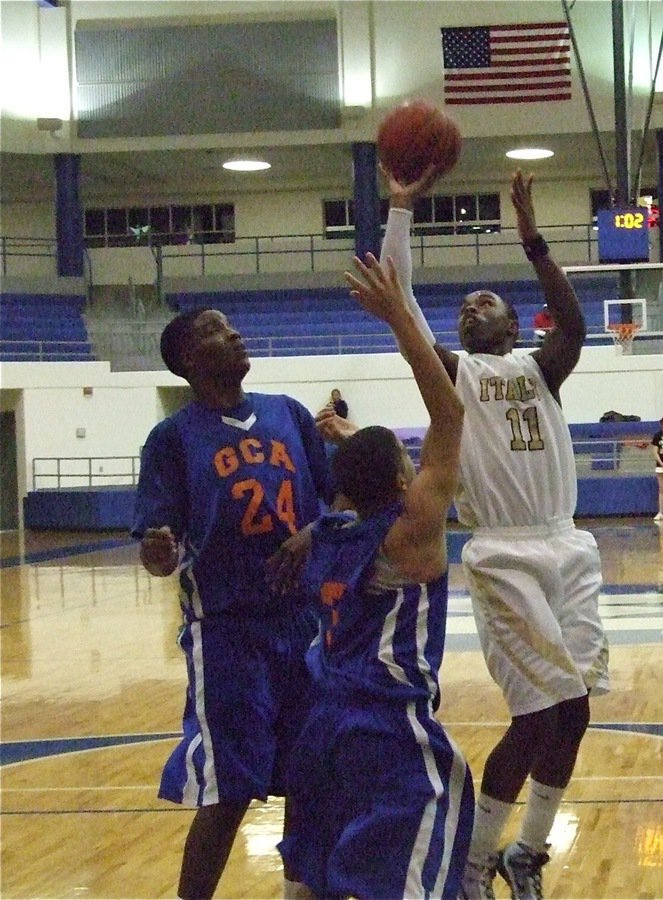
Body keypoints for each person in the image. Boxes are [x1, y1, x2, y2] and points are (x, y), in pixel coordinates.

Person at [324, 167, 609, 898]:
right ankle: (479, 860)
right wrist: (398, 209)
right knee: (544, 711)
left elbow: (573, 322)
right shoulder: (455, 374)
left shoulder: (541, 366)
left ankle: (527, 851)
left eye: (486, 300)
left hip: (568, 545)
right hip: (503, 550)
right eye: (464, 306)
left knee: (574, 715)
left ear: (514, 325)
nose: (470, 306)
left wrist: (533, 240)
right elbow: (407, 307)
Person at [277, 253, 472, 899]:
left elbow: (366, 482)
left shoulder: (329, 532)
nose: (418, 467)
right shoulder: (410, 532)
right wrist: (399, 319)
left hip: (321, 722)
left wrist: (353, 441)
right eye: (406, 462)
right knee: (418, 869)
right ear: (399, 481)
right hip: (387, 725)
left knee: (314, 874)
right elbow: (449, 416)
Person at [132, 308, 332, 900]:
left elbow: (337, 498)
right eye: (216, 330)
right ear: (191, 360)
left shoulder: (288, 413)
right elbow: (156, 552)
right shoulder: (172, 439)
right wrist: (160, 551)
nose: (236, 333)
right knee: (229, 788)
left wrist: (314, 534)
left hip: (304, 622)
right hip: (227, 632)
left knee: (310, 777)